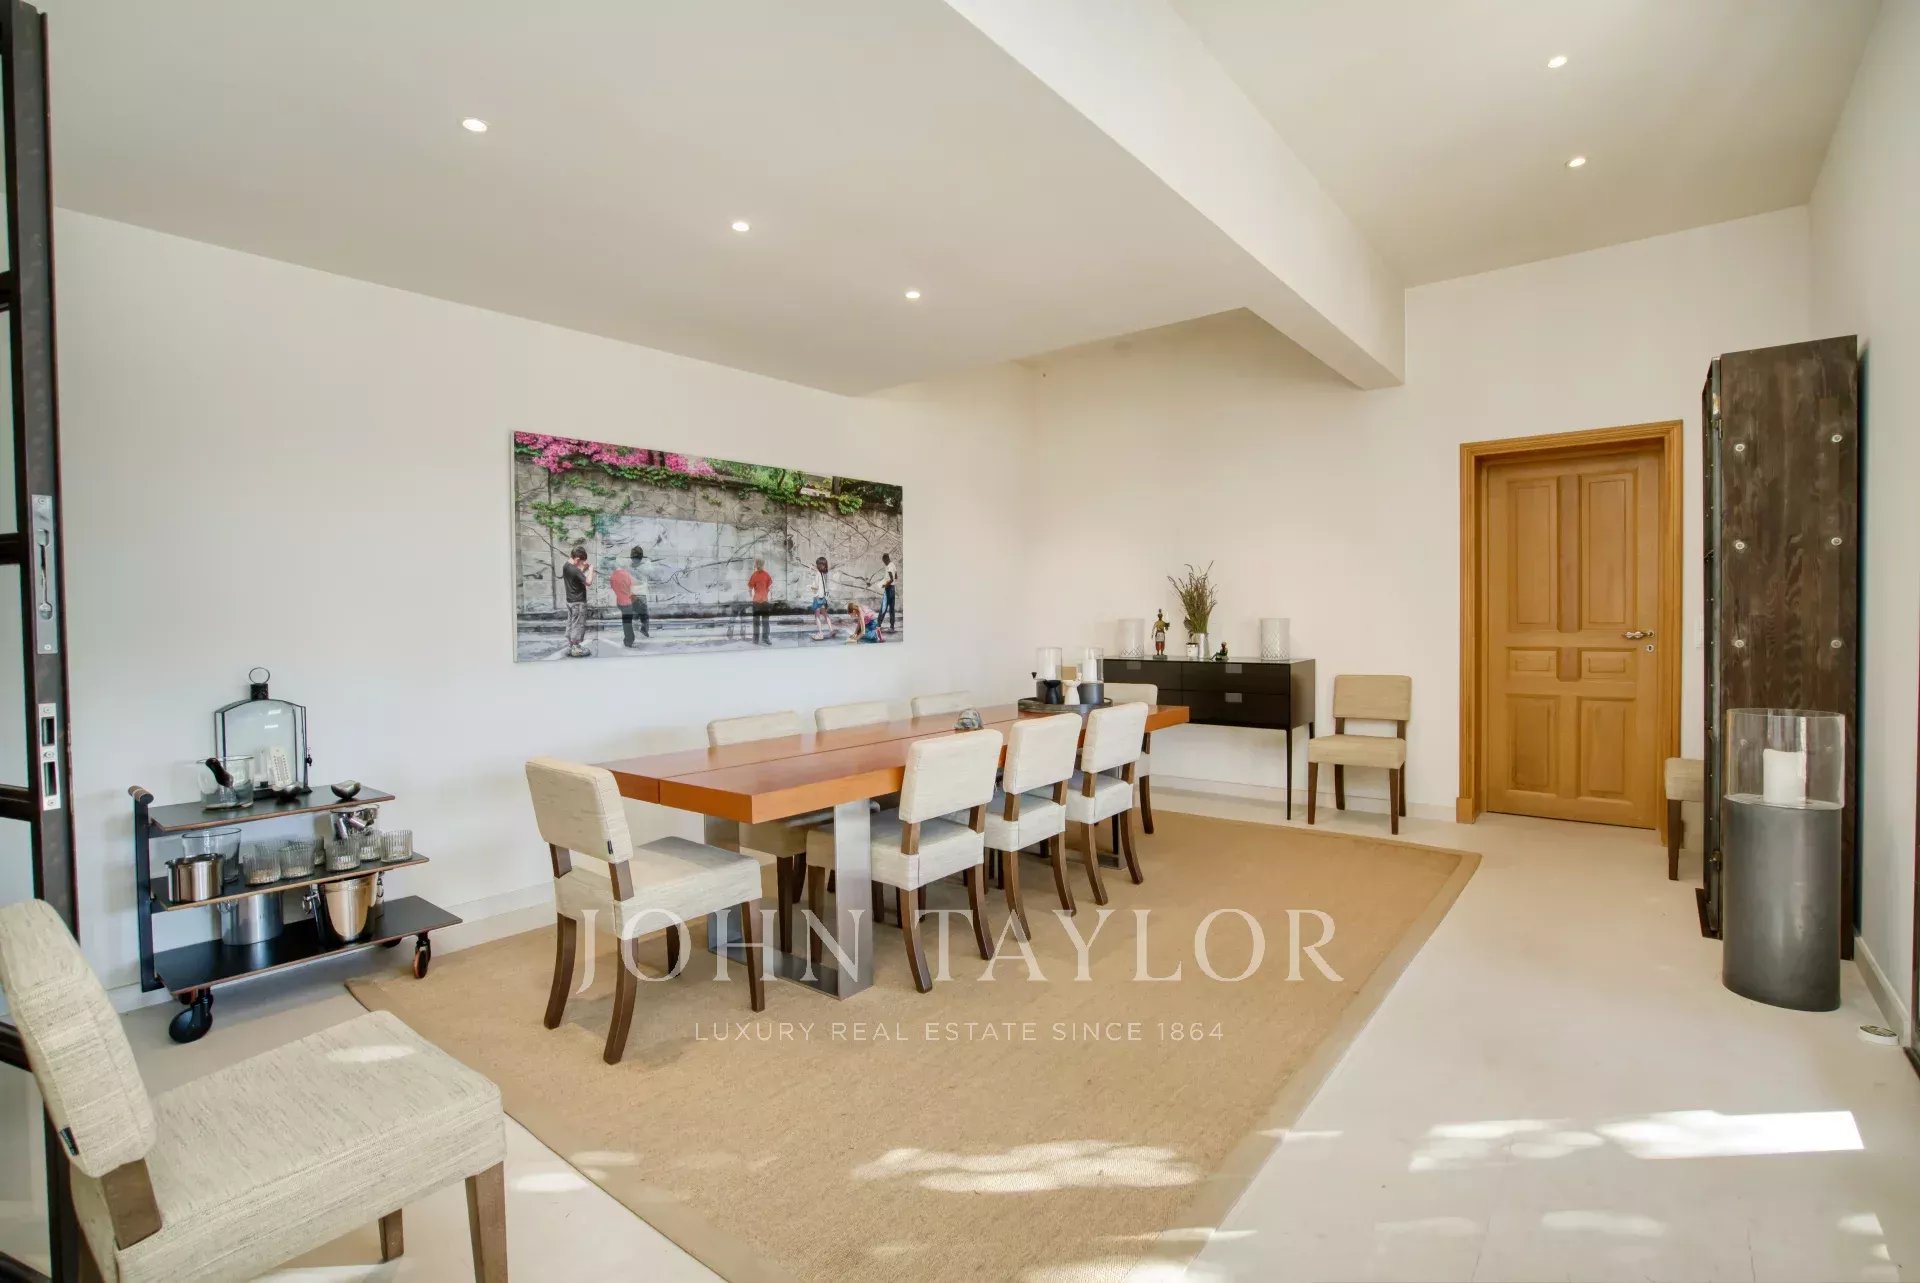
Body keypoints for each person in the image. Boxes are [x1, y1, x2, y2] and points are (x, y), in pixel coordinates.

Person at [609, 547, 649, 648]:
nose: (634, 559)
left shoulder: (628, 568)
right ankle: (638, 634)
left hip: (632, 596)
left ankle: (633, 637)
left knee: (630, 618)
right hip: (635, 595)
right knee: (640, 615)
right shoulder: (643, 566)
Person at [561, 546, 592, 658]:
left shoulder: (566, 566)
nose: (582, 564)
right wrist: (591, 570)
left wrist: (583, 569)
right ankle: (576, 648)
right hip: (578, 601)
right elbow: (588, 582)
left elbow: (577, 577)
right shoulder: (575, 570)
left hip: (570, 601)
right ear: (577, 559)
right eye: (581, 562)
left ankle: (571, 646)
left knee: (571, 623)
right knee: (578, 625)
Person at [748, 558, 774, 645]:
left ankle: (761, 638)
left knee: (761, 621)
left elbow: (750, 587)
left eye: (760, 564)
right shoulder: (759, 575)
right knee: (761, 622)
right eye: (758, 564)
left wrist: (754, 594)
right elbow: (750, 587)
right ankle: (760, 638)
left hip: (761, 601)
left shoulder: (762, 575)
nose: (759, 566)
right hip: (760, 601)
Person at [809, 556, 831, 640]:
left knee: (817, 616)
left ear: (819, 565)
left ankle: (820, 633)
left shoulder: (818, 574)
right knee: (825, 614)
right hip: (823, 598)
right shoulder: (823, 574)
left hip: (818, 597)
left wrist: (810, 586)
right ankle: (831, 630)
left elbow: (815, 586)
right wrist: (812, 569)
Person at [880, 553, 899, 633]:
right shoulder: (893, 565)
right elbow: (896, 577)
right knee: (891, 609)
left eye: (884, 561)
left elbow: (891, 579)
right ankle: (892, 627)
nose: (884, 562)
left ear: (886, 559)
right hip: (893, 589)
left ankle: (878, 625)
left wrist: (885, 585)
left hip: (888, 589)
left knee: (883, 607)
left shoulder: (889, 567)